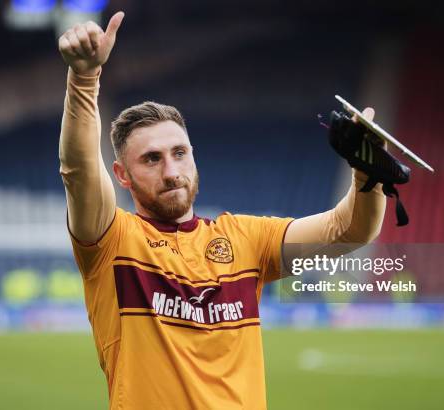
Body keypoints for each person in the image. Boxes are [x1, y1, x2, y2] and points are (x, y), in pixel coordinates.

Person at [58, 11, 385, 410]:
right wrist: (84, 78)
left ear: (194, 157)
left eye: (180, 154)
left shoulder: (246, 239)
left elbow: (349, 230)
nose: (171, 171)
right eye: (152, 159)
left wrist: (367, 175)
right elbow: (78, 171)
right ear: (122, 175)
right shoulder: (112, 241)